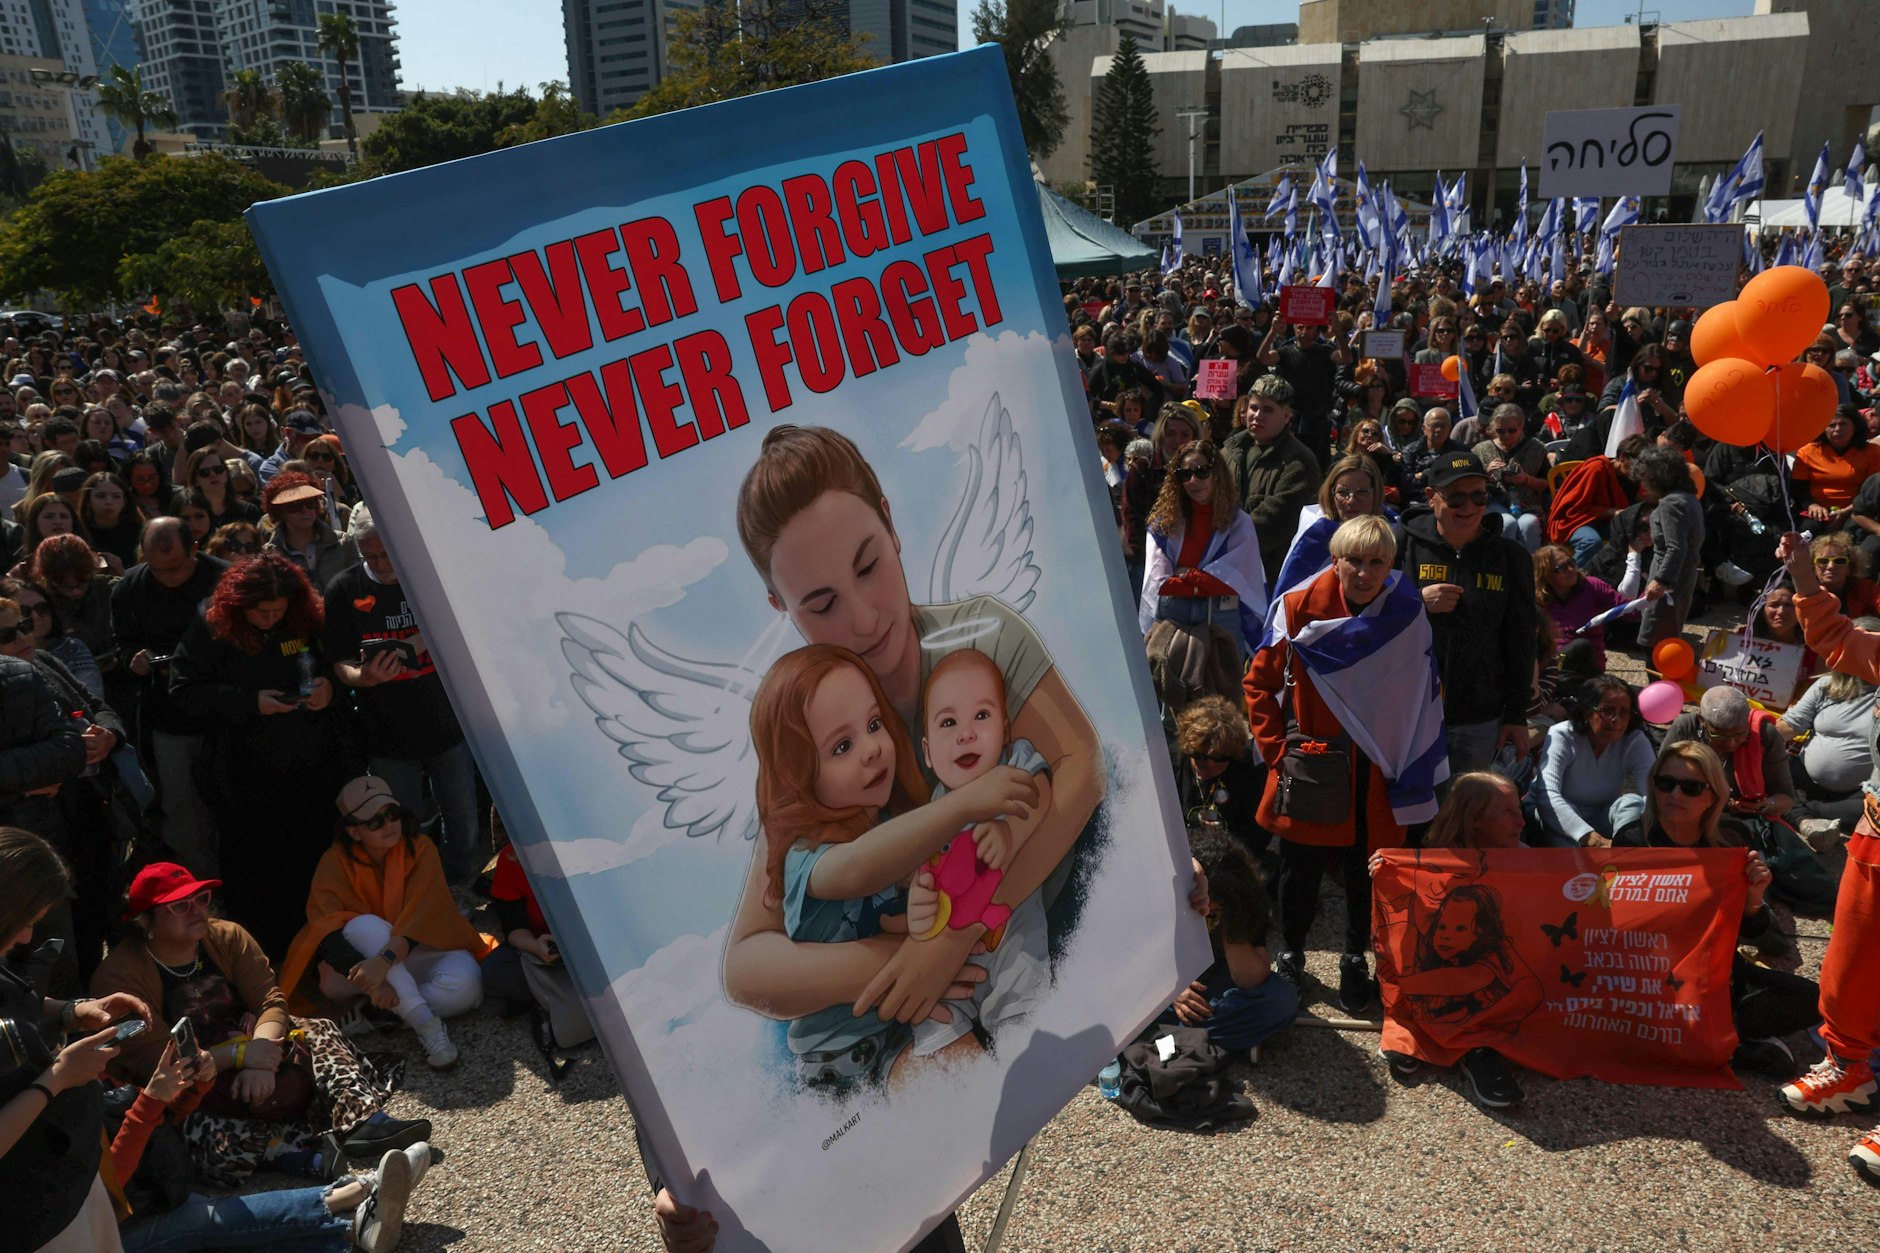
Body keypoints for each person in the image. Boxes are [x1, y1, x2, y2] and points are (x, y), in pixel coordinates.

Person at [721, 425, 1102, 1044]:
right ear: (779, 605)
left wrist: (956, 936)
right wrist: (906, 960)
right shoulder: (803, 725)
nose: (864, 618)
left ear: (891, 525)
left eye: (868, 566)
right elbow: (748, 964)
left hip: (1061, 960)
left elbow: (1082, 765)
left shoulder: (983, 640)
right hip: (934, 1027)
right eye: (822, 604)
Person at [89, 861, 421, 1186]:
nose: (196, 911)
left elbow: (269, 1001)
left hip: (255, 1045)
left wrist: (261, 1056)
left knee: (318, 1029)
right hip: (193, 1078)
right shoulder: (120, 976)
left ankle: (361, 1119)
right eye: (179, 906)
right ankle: (283, 1153)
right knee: (197, 1137)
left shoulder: (227, 936)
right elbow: (159, 1064)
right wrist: (238, 1055)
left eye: (200, 899)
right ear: (145, 920)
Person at [1246, 517, 1443, 1013]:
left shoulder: (1406, 609)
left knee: (1367, 873)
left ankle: (1355, 958)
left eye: (1376, 562)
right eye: (1353, 560)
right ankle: (1292, 953)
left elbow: (1423, 687)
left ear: (1391, 564)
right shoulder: (1297, 607)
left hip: (1380, 770)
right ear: (1335, 561)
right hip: (1315, 766)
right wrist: (1276, 753)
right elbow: (1258, 684)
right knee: (1300, 872)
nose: (1364, 572)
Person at [169, 551, 354, 956]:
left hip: (313, 770)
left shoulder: (307, 619)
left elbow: (341, 665)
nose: (269, 619)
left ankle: (322, 948)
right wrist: (249, 702)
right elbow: (183, 690)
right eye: (260, 612)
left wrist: (331, 688)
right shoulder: (212, 627)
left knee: (314, 861)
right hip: (245, 777)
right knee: (256, 871)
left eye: (277, 611)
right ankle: (262, 954)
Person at [1611, 740, 1820, 1078]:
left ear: (1712, 796)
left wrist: (1753, 897)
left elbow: (1752, 931)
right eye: (1665, 783)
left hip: (1717, 970)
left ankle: (1718, 1035)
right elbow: (1617, 926)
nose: (1675, 794)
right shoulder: (1633, 841)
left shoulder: (1731, 840)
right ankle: (1726, 1040)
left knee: (1813, 998)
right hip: (1653, 973)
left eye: (1690, 788)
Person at [107, 1040, 432, 1253]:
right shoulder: (73, 1100)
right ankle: (358, 1193)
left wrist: (195, 1084)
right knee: (206, 1221)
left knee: (216, 1233)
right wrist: (149, 1103)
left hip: (143, 1198)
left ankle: (353, 1228)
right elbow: (107, 1187)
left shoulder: (88, 1085)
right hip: (104, 1233)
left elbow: (164, 1121)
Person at [1776, 531, 1880, 1180]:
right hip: (1875, 830)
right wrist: (1803, 576)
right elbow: (1836, 638)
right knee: (1848, 962)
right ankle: (1849, 1068)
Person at [0, 827, 153, 1252]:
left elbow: (10, 1000)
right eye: (26, 923)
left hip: (63, 1184)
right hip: (28, 1223)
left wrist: (69, 1010)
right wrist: (58, 1078)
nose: (27, 938)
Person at [280, 778, 494, 1072]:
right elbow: (326, 931)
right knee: (363, 926)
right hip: (361, 966)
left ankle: (373, 1015)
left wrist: (384, 962)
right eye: (375, 822)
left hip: (413, 951)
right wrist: (374, 981)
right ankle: (427, 1027)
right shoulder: (333, 863)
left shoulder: (421, 849)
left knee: (469, 985)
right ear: (353, 831)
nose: (389, 825)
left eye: (392, 815)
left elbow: (425, 916)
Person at [323, 513, 478, 893]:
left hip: (447, 722)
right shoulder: (344, 588)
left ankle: (459, 885)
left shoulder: (429, 578)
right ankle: (420, 891)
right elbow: (340, 662)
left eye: (387, 555)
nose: (380, 564)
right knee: (403, 822)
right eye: (370, 556)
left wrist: (421, 640)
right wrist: (364, 677)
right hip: (387, 732)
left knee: (463, 816)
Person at [1396, 450, 1536, 775]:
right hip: (1408, 711)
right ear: (1431, 497)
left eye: (1478, 496)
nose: (1468, 507)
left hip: (1479, 715)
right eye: (1456, 498)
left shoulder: (1510, 557)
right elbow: (1370, 616)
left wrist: (1516, 715)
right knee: (1409, 802)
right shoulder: (1401, 545)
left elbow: (1522, 640)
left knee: (1467, 801)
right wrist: (1416, 603)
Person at [111, 517, 229, 873]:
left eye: (175, 568)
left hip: (226, 709)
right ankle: (200, 881)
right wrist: (134, 660)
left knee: (233, 797)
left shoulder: (225, 580)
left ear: (195, 548)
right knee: (181, 807)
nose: (166, 577)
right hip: (168, 715)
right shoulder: (130, 588)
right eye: (156, 568)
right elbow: (122, 643)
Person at [1160, 822, 1297, 1057]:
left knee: (1282, 1002)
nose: (1205, 915)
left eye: (1213, 911)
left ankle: (1176, 1037)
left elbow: (1252, 979)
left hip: (1215, 983)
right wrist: (1170, 991)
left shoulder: (1245, 903)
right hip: (1168, 985)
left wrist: (1230, 926)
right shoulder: (1167, 895)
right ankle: (1225, 1037)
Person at [1139, 438, 1267, 665]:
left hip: (1221, 619)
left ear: (1216, 474)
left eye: (1202, 472)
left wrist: (1187, 574)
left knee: (1223, 688)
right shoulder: (1163, 523)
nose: (1193, 480)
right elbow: (1160, 584)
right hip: (1173, 618)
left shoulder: (1239, 523)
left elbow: (1236, 585)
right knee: (1168, 686)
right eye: (1185, 474)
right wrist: (1205, 584)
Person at [1221, 374, 1323, 585]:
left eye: (1267, 410)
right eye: (1253, 408)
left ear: (1286, 416)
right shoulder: (1228, 452)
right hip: (1221, 569)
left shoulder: (1299, 462)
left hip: (1270, 577)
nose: (1257, 416)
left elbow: (1274, 522)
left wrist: (1221, 543)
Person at [1529, 677, 1654, 847]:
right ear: (1587, 712)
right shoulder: (1562, 735)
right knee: (1565, 813)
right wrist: (1591, 838)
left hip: (1600, 819)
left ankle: (1624, 851)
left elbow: (1652, 793)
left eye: (1624, 712)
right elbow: (1547, 794)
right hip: (1554, 819)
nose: (1616, 719)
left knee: (1632, 802)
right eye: (1607, 710)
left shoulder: (1635, 741)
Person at [1777, 647, 1880, 836]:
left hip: (1856, 794)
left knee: (1873, 807)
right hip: (1804, 778)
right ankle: (1807, 817)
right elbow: (1791, 725)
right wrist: (1755, 738)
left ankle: (1802, 813)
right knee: (1771, 767)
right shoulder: (1827, 685)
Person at [1172, 694, 1267, 864]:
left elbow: (1256, 836)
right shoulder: (1171, 764)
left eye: (1219, 758)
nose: (1208, 764)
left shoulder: (1249, 771)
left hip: (1230, 858)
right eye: (1198, 755)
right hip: (1181, 856)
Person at [1120, 405, 1200, 599]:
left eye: (1185, 434)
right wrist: (1148, 556)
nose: (1177, 441)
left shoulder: (1205, 470)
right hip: (1147, 561)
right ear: (1160, 435)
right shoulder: (1142, 469)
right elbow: (1131, 516)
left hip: (1192, 564)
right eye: (1170, 434)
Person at [1632, 447, 1704, 648]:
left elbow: (1675, 548)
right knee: (1669, 635)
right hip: (1684, 576)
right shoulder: (1688, 497)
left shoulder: (1670, 504)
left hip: (1670, 583)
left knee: (1655, 641)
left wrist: (1660, 581)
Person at [1533, 543, 1627, 671]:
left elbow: (1631, 610)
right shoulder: (1537, 600)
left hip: (1589, 666)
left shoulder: (1592, 586)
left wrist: (1649, 597)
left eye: (1571, 562)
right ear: (1546, 574)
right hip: (1556, 666)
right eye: (1561, 568)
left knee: (1581, 646)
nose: (1571, 569)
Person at [1472, 403, 1549, 552]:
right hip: (1493, 503)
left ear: (1521, 426)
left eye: (1512, 430)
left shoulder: (1536, 448)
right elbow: (1470, 484)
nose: (1506, 435)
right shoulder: (1481, 450)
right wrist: (1486, 474)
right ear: (1493, 428)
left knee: (1529, 525)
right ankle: (1504, 563)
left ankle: (1531, 564)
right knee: (1507, 523)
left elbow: (1546, 484)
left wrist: (1526, 480)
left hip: (1527, 504)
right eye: (1500, 431)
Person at [264, 471, 354, 590]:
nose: (305, 510)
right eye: (294, 506)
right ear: (279, 512)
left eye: (310, 503)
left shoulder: (343, 542)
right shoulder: (270, 555)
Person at [1795, 407, 1880, 524]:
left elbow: (1872, 491)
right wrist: (1812, 505)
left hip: (1856, 512)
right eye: (1831, 425)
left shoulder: (1872, 452)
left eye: (1843, 424)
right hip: (1817, 512)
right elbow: (1798, 489)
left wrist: (1846, 511)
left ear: (1855, 426)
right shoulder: (1807, 452)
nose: (1838, 429)